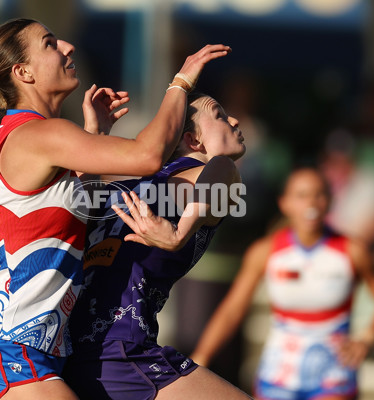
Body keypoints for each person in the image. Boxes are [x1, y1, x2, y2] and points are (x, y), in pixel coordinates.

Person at [0, 17, 231, 400]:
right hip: (10, 354)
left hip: (22, 352)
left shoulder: (28, 135)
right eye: (49, 44)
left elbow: (65, 199)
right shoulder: (40, 134)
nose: (68, 46)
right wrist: (181, 82)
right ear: (23, 72)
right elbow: (148, 156)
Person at [62, 91, 251, 400]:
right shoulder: (201, 180)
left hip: (72, 352)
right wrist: (178, 234)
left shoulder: (121, 186)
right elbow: (223, 169)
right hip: (121, 352)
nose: (234, 120)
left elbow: (69, 193)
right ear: (193, 141)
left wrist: (93, 137)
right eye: (219, 114)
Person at [190, 168, 374, 400]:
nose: (311, 203)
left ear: (330, 200)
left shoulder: (353, 250)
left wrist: (367, 338)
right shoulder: (265, 251)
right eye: (301, 195)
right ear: (284, 203)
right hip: (278, 373)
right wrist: (201, 357)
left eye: (319, 194)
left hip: (333, 375)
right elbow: (232, 309)